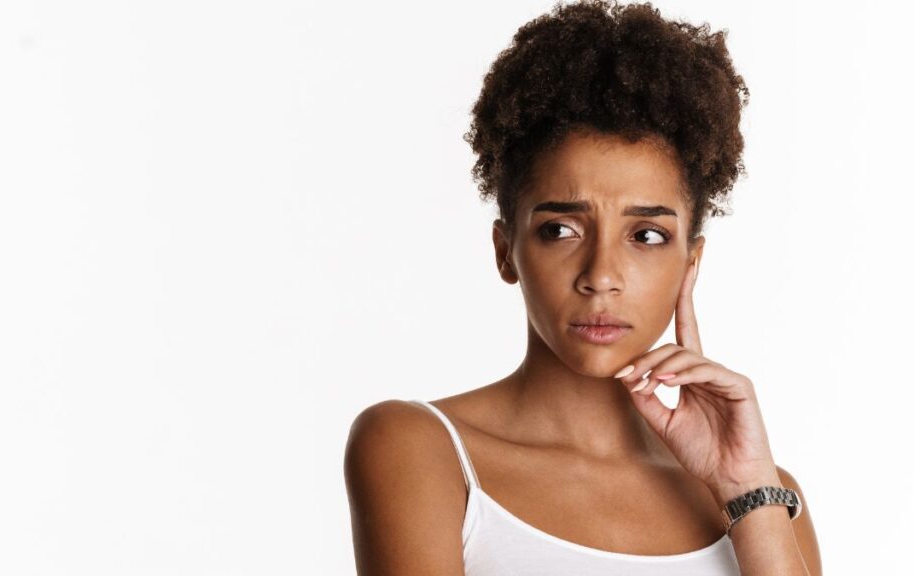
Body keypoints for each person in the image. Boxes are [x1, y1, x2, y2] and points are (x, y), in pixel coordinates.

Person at [344, 1, 821, 574]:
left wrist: (746, 489)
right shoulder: (420, 450)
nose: (601, 275)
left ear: (690, 263)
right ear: (506, 251)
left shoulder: (768, 495)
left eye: (645, 234)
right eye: (560, 229)